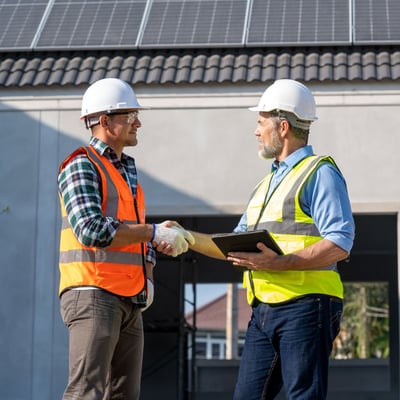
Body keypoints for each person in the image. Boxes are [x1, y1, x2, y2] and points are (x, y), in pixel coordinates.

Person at [173, 79, 355, 399]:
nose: (256, 131)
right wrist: (186, 236)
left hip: (307, 305)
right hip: (263, 310)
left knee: (303, 396)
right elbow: (233, 243)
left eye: (260, 122)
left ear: (282, 126)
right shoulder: (265, 185)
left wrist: (280, 263)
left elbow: (340, 242)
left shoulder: (319, 172)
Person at [57, 78, 194, 400]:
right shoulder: (82, 164)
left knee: (124, 394)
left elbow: (125, 234)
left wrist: (152, 247)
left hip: (129, 296)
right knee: (86, 392)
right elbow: (90, 229)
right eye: (130, 116)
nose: (138, 123)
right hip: (93, 292)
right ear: (105, 121)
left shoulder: (123, 171)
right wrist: (152, 232)